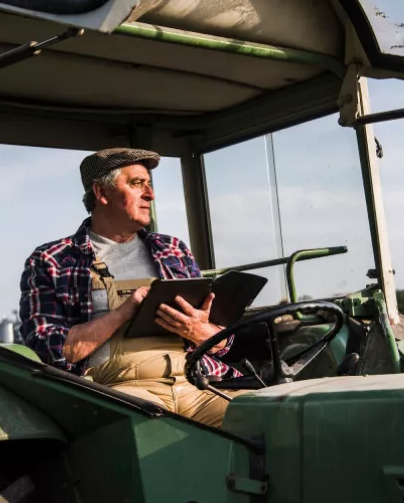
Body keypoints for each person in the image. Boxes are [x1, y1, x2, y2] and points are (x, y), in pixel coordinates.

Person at [19, 148, 246, 427]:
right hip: (120, 391)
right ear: (102, 193)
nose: (150, 195)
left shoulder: (173, 249)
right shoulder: (51, 260)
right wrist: (123, 313)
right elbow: (50, 350)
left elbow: (223, 343)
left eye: (149, 184)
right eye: (137, 184)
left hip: (196, 383)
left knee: (272, 417)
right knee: (153, 433)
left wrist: (201, 332)